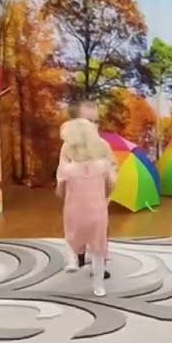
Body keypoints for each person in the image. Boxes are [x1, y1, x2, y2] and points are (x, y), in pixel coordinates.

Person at [56, 118, 117, 297]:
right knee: (99, 248)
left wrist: (65, 190)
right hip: (98, 211)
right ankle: (99, 286)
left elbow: (60, 191)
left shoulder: (67, 169)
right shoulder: (103, 164)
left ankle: (73, 259)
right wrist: (103, 197)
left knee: (71, 236)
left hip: (74, 210)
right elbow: (110, 186)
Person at [67, 99, 109, 279]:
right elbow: (63, 171)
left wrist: (109, 185)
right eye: (87, 122)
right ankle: (79, 253)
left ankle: (99, 264)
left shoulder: (102, 145)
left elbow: (110, 167)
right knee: (77, 228)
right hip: (77, 199)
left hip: (97, 198)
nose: (92, 126)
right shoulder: (69, 146)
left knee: (100, 232)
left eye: (95, 122)